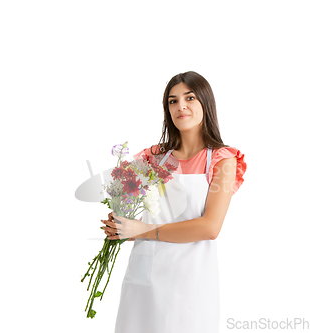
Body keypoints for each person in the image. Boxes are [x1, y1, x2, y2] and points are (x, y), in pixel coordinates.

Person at [101, 71, 247, 333]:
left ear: (205, 102)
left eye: (189, 98)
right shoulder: (153, 156)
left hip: (189, 284)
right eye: (172, 100)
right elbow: (123, 197)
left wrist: (141, 230)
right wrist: (120, 224)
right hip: (144, 278)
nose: (181, 106)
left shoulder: (222, 160)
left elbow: (209, 227)